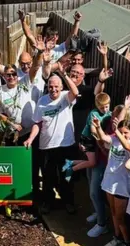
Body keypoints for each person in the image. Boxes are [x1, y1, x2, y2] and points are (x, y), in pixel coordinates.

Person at [23, 62, 79, 214]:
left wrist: (64, 74)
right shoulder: (42, 101)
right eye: (50, 86)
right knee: (48, 178)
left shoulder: (65, 98)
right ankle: (48, 202)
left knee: (66, 176)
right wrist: (30, 139)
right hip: (46, 146)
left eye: (56, 86)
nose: (53, 89)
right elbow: (37, 123)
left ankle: (68, 202)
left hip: (66, 145)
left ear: (61, 87)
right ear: (47, 87)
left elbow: (75, 91)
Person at [0, 42, 44, 198]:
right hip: (12, 133)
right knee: (16, 165)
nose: (11, 77)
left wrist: (39, 53)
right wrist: (11, 123)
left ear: (18, 76)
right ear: (4, 76)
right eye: (8, 74)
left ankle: (35, 195)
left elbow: (35, 68)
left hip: (29, 132)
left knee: (33, 164)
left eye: (13, 74)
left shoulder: (24, 84)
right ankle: (16, 194)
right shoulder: (1, 92)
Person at [93, 117, 130, 246]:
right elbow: (104, 138)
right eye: (121, 132)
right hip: (109, 183)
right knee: (112, 212)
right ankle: (117, 238)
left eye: (126, 132)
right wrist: (98, 126)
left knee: (120, 217)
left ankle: (128, 244)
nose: (124, 135)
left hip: (122, 186)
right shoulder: (114, 140)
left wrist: (117, 131)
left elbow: (127, 147)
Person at [17, 9, 82, 63]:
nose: (52, 41)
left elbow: (72, 37)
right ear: (45, 38)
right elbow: (29, 36)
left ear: (57, 37)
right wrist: (23, 21)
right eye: (50, 38)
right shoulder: (40, 48)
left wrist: (77, 21)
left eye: (54, 38)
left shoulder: (61, 48)